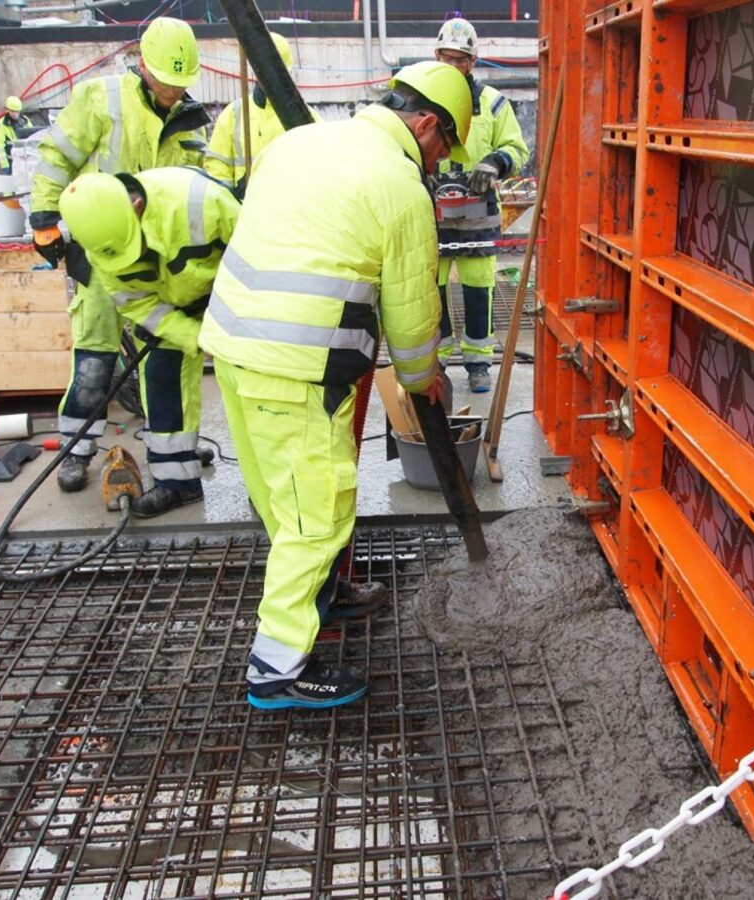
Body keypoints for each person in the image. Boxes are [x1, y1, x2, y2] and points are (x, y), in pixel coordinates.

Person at [199, 60, 472, 711]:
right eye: (443, 146)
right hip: (300, 364)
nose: (439, 162)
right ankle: (278, 669)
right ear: (426, 122)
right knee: (317, 512)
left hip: (235, 346)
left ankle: (320, 591)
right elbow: (410, 315)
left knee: (282, 497)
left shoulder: (300, 142)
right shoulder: (401, 186)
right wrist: (421, 379)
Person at [29, 17, 211, 503]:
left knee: (165, 363)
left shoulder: (193, 122)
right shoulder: (101, 98)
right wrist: (44, 216)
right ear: (145, 66)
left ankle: (172, 454)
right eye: (167, 80)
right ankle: (77, 449)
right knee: (94, 360)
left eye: (182, 83)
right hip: (101, 257)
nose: (174, 91)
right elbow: (56, 155)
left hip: (159, 267)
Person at [58, 168, 238, 514]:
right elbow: (140, 305)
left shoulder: (199, 201)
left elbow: (259, 251)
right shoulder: (102, 247)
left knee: (255, 392)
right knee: (160, 377)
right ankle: (177, 482)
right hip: (175, 311)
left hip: (235, 301)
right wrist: (194, 336)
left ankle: (270, 488)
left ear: (137, 206)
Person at [431, 17, 529, 393]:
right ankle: (434, 361)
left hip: (476, 213)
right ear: (436, 55)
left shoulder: (492, 103)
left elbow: (517, 149)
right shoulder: (417, 99)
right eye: (447, 57)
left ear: (473, 62)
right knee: (431, 291)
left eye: (461, 59)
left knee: (478, 290)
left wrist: (494, 163)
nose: (453, 65)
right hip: (431, 215)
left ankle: (477, 364)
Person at [205, 33, 319, 196]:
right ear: (256, 71)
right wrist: (232, 200)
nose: (272, 81)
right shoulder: (234, 114)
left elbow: (320, 173)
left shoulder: (308, 119)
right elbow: (217, 172)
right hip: (243, 214)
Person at [0, 95, 32, 173]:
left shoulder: (25, 120)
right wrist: (4, 165)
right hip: (11, 162)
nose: (14, 113)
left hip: (26, 161)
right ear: (7, 110)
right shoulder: (0, 125)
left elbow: (32, 138)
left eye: (16, 111)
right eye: (12, 111)